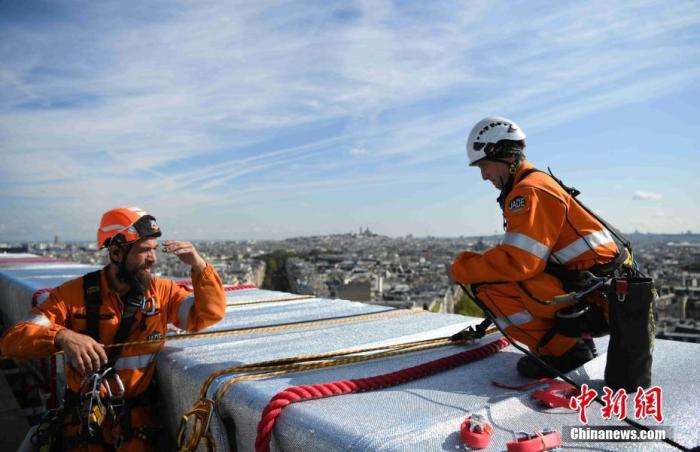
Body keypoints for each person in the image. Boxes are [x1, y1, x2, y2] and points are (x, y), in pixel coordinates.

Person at [1, 207, 226, 451]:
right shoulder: (73, 296)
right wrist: (62, 336)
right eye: (144, 250)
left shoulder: (162, 293)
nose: (154, 258)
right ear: (116, 252)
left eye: (154, 249)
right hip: (85, 429)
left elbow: (207, 313)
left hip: (135, 430)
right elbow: (13, 340)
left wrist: (199, 265)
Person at [449, 117, 630, 379]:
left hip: (596, 298)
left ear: (504, 156)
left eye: (485, 166)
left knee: (487, 285)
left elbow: (518, 262)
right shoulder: (537, 183)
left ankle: (563, 352)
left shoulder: (528, 192)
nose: (484, 175)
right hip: (599, 293)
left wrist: (461, 268)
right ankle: (574, 341)